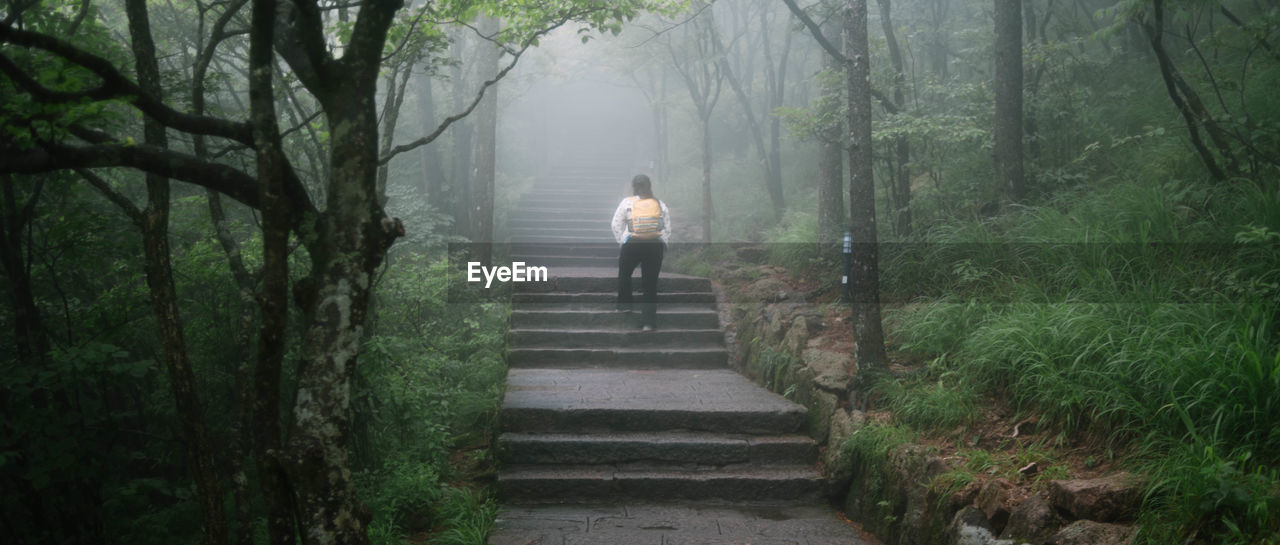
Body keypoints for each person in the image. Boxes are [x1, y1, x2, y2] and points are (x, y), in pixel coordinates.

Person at [610, 174, 671, 331]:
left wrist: (621, 242)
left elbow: (615, 224)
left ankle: (625, 305)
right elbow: (666, 227)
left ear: (634, 187)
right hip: (654, 246)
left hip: (632, 244)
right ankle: (648, 323)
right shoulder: (659, 203)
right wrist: (663, 244)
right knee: (650, 284)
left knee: (625, 273)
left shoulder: (627, 203)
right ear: (649, 186)